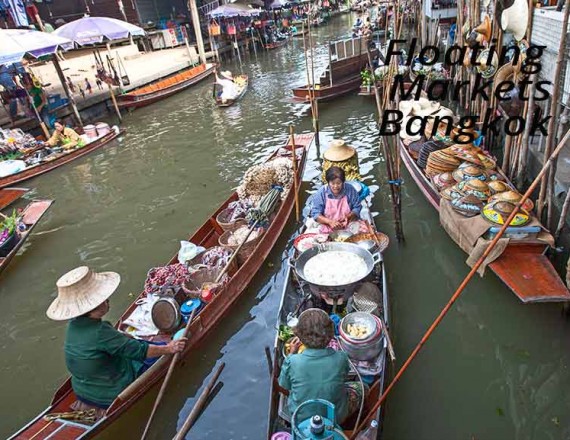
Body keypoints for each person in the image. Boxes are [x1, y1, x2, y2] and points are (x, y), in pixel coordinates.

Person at [46, 266, 187, 415]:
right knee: (158, 351)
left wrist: (124, 337)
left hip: (82, 389)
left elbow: (108, 342)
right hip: (111, 393)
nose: (107, 301)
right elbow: (140, 351)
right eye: (103, 299)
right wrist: (170, 348)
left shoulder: (73, 326)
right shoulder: (100, 332)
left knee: (144, 344)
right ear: (95, 305)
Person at [278, 309, 366, 423]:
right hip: (334, 418)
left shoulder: (292, 361)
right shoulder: (341, 358)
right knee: (362, 387)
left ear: (300, 337)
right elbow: (343, 379)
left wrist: (291, 353)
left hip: (300, 418)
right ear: (330, 336)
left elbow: (284, 385)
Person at [311, 166, 361, 232]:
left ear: (343, 182)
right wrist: (330, 222)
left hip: (347, 224)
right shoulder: (322, 192)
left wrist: (349, 217)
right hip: (327, 224)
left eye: (338, 183)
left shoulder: (350, 189)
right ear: (328, 182)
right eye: (332, 183)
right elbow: (315, 213)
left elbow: (357, 207)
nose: (335, 186)